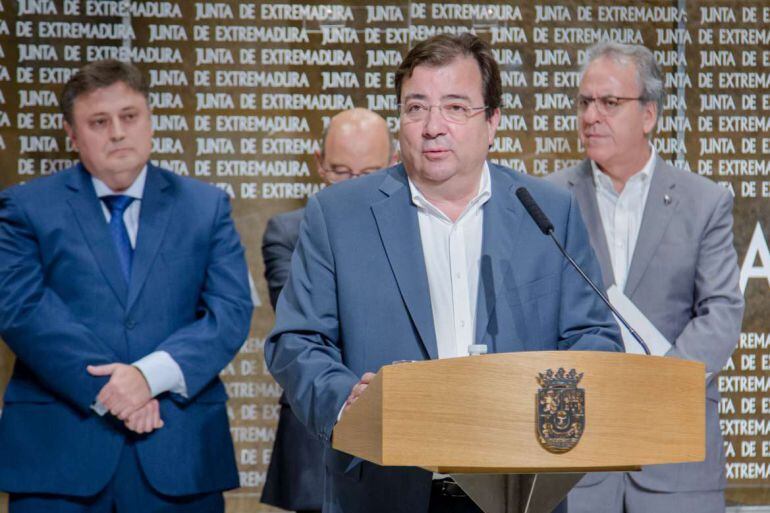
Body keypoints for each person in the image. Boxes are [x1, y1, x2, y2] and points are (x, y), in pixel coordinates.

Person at [265, 33, 622, 513]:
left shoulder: (547, 212)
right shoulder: (338, 214)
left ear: (492, 121)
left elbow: (595, 337)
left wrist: (545, 401)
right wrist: (350, 402)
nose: (433, 126)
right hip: (384, 489)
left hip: (520, 486)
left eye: (455, 107)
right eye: (416, 108)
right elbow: (296, 342)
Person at [0, 60, 253, 512]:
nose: (117, 132)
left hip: (179, 454)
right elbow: (22, 309)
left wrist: (147, 376)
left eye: (129, 116)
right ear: (72, 134)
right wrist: (119, 389)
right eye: (99, 121)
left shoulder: (205, 206)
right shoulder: (24, 207)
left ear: (150, 120)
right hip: (59, 457)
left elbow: (229, 312)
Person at [547, 42, 744, 513]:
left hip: (675, 458)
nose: (592, 115)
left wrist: (660, 387)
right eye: (584, 102)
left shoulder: (704, 201)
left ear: (649, 115)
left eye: (610, 103)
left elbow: (721, 311)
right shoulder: (548, 199)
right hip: (579, 457)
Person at [261, 108, 396, 513]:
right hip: (317, 433)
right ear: (319, 166)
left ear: (394, 164)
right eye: (341, 171)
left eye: (367, 172)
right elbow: (313, 323)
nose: (353, 185)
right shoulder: (287, 232)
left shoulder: (416, 229)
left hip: (403, 424)